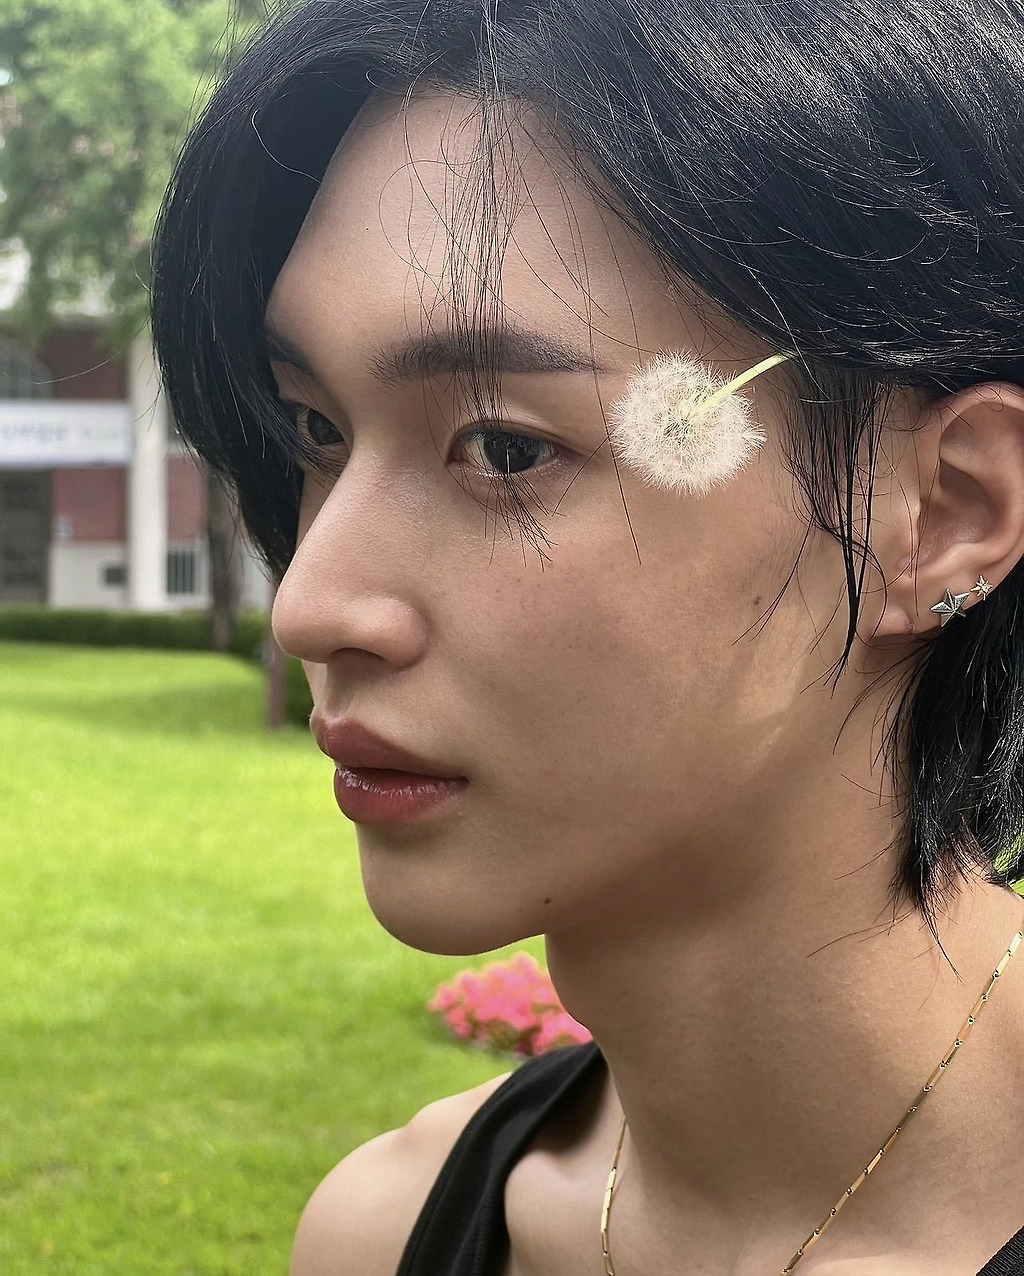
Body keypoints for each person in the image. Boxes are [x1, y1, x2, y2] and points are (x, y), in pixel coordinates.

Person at [151, 0, 1024, 1271]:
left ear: (941, 513)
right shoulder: (386, 1230)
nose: (310, 606)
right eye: (317, 431)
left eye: (505, 448)